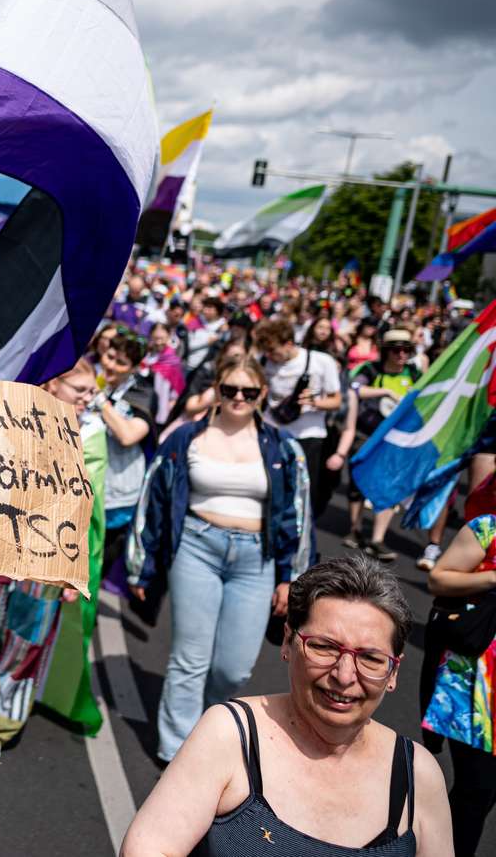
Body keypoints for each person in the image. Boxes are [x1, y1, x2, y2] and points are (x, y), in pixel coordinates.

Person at [124, 552, 452, 856]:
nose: (344, 675)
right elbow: (149, 847)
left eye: (370, 658)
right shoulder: (230, 736)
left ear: (393, 671)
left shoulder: (418, 775)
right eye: (324, 647)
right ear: (288, 642)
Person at [127, 354, 311, 762]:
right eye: (230, 390)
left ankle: (208, 722)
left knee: (234, 668)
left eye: (249, 391)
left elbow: (295, 514)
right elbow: (153, 501)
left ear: (262, 393)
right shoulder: (186, 438)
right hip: (196, 547)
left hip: (254, 559)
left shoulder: (283, 447)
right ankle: (177, 750)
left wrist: (291, 576)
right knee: (189, 657)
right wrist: (141, 566)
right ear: (217, 390)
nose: (239, 398)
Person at [0, 358, 102, 763]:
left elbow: (86, 513)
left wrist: (73, 571)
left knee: (25, 645)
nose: (89, 399)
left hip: (46, 564)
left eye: (91, 392)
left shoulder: (88, 437)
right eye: (80, 391)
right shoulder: (15, 420)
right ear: (54, 386)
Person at [423, 515, 496, 855]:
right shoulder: (488, 528)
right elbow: (439, 579)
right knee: (476, 789)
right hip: (478, 683)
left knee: (486, 793)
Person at [255, 317, 342, 535]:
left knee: (301, 492)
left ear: (289, 344)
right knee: (268, 486)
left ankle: (297, 535)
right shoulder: (265, 361)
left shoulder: (321, 362)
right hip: (272, 431)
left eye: (274, 351)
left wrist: (313, 402)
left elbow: (336, 400)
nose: (270, 356)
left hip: (308, 436)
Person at [345, 328, 421, 562]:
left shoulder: (415, 373)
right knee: (358, 483)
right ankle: (355, 528)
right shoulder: (371, 370)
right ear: (387, 351)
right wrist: (386, 391)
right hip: (367, 434)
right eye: (397, 350)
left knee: (390, 486)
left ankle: (377, 539)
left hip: (397, 440)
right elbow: (355, 389)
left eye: (406, 350)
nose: (402, 355)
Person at [97, 330, 156, 582]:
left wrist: (99, 401)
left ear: (133, 368)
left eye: (121, 363)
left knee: (97, 562)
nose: (110, 365)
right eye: (109, 357)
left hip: (116, 493)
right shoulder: (92, 378)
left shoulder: (143, 393)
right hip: (85, 481)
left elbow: (128, 436)